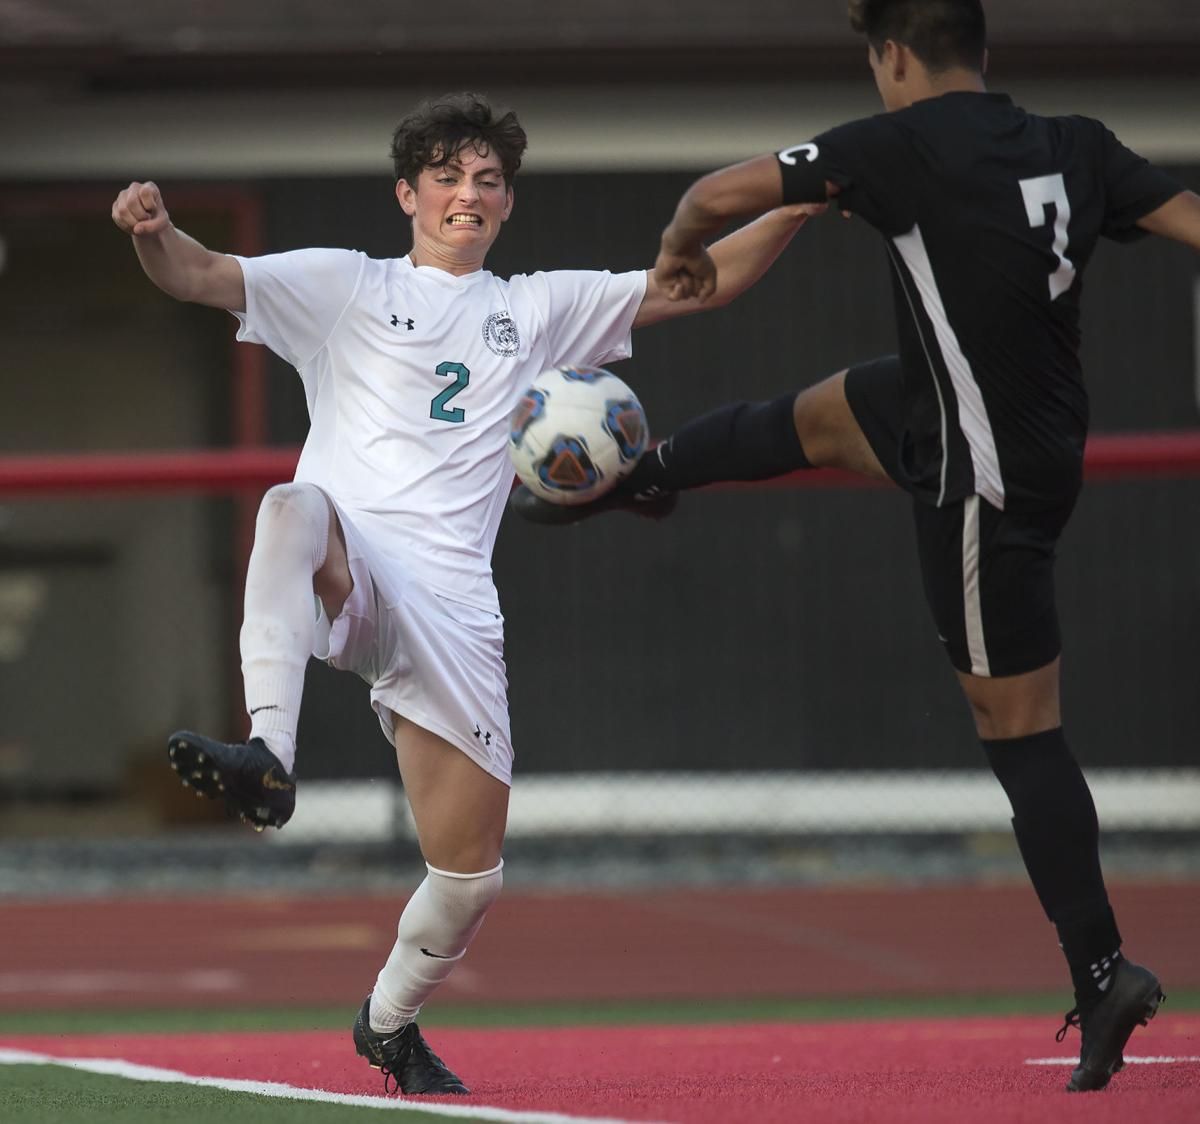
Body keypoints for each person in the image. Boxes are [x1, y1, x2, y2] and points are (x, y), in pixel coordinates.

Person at [510, 0, 1200, 1094]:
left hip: (982, 478)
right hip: (1002, 422)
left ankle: (1104, 966)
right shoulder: (1079, 143)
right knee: (825, 413)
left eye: (875, 64)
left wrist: (679, 250)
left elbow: (710, 194)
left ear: (892, 57)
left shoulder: (896, 144)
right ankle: (645, 477)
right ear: (985, 52)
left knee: (1018, 727)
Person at [110, 92, 821, 1096]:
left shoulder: (533, 308)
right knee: (288, 505)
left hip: (451, 608)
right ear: (407, 192)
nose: (467, 193)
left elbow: (700, 285)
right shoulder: (343, 287)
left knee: (469, 877)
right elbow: (196, 273)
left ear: (507, 203)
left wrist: (806, 203)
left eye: (487, 180)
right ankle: (268, 751)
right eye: (446, 174)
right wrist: (155, 229)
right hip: (353, 562)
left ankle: (387, 1022)